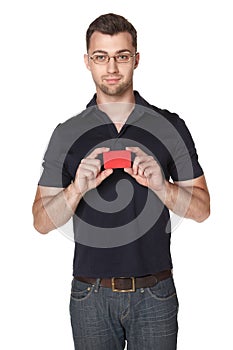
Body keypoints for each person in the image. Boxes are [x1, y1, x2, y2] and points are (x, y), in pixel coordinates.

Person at [32, 13, 210, 350]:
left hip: (155, 294)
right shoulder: (67, 132)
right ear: (88, 62)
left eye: (122, 56)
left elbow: (202, 209)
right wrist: (76, 188)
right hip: (90, 296)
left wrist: (163, 186)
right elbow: (41, 221)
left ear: (136, 59)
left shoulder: (169, 126)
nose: (112, 67)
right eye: (101, 57)